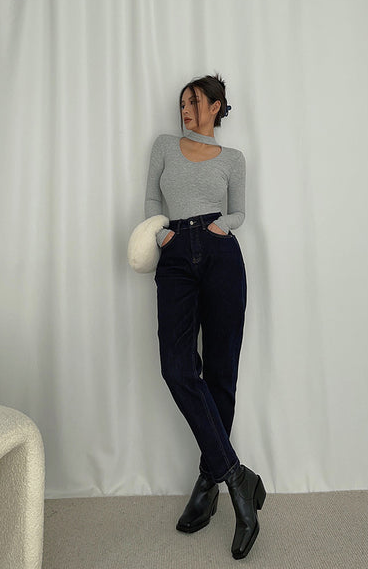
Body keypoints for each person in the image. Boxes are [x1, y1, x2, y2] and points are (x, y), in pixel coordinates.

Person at [144, 74, 265, 560]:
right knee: (176, 367)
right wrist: (161, 235)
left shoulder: (233, 159)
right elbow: (152, 200)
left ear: (215, 106)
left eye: (193, 101)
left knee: (220, 374)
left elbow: (239, 213)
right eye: (181, 103)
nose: (184, 110)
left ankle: (206, 482)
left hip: (221, 256)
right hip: (175, 256)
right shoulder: (164, 146)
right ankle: (236, 477)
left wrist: (219, 227)